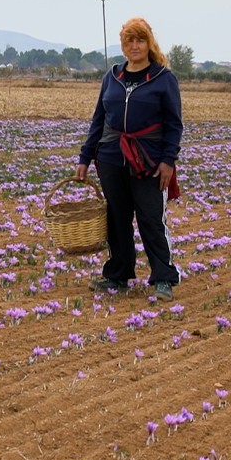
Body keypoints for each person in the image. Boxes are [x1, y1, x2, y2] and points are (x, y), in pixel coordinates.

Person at [75, 17, 183, 301]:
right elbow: (98, 120)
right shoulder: (112, 77)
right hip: (111, 157)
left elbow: (174, 125)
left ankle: (163, 278)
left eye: (140, 40)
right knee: (116, 218)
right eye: (129, 41)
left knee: (151, 218)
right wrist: (85, 158)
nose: (134, 46)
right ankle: (118, 275)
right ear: (123, 45)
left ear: (149, 43)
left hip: (149, 159)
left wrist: (168, 161)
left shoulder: (163, 78)